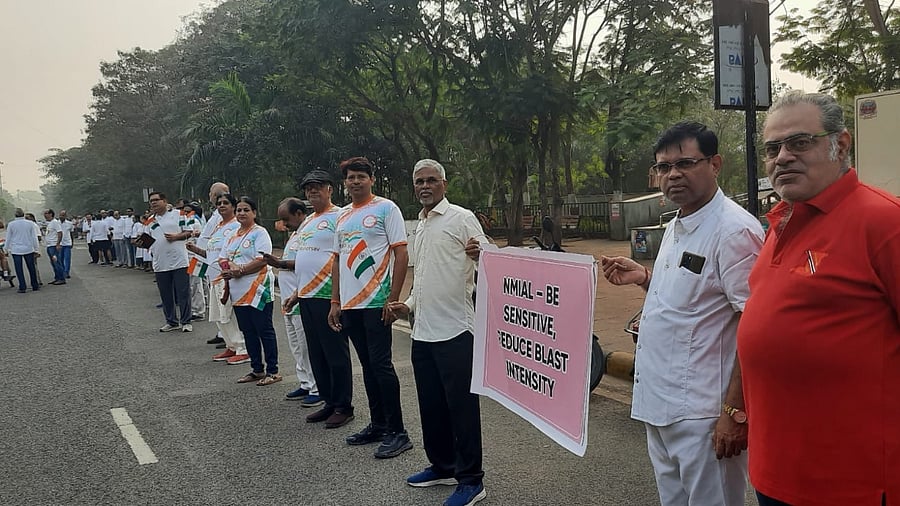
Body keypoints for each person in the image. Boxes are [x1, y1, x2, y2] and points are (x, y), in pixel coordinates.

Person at [737, 91, 900, 506]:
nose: (783, 157)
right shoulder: (781, 223)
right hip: (775, 475)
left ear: (840, 145)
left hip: (851, 485)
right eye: (773, 148)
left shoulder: (884, 223)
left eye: (800, 142)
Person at [600, 122, 763, 506]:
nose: (673, 174)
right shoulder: (678, 224)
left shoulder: (734, 231)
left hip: (703, 414)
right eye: (663, 166)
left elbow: (753, 323)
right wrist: (643, 277)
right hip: (660, 402)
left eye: (685, 163)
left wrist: (734, 411)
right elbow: (695, 296)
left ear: (715, 163)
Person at [387, 159, 488, 506]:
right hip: (423, 333)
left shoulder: (461, 218)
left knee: (461, 408)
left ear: (444, 184)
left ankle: (472, 480)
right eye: (419, 182)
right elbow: (426, 276)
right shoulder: (422, 226)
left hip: (457, 331)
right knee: (431, 406)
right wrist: (409, 305)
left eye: (431, 180)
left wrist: (483, 252)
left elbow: (494, 261)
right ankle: (442, 465)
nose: (425, 186)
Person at [328, 156, 412, 459]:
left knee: (381, 365)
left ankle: (398, 432)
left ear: (371, 179)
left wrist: (393, 298)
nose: (355, 181)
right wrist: (335, 301)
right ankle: (378, 424)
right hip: (350, 305)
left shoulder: (386, 208)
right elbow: (337, 260)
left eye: (361, 176)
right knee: (367, 366)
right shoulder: (342, 216)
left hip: (377, 302)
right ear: (345, 182)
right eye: (350, 177)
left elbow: (400, 255)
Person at [283, 170, 356, 429]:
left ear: (330, 189)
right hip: (307, 296)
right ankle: (328, 401)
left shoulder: (340, 216)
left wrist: (337, 298)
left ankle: (343, 406)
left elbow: (341, 256)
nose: (313, 191)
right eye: (308, 188)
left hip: (328, 295)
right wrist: (296, 294)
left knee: (335, 353)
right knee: (317, 354)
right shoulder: (309, 220)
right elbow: (305, 261)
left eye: (318, 187)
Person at [261, 198, 322, 406]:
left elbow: (307, 263)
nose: (284, 224)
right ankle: (305, 382)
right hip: (288, 299)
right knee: (296, 345)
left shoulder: (308, 232)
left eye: (286, 219)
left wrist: (279, 263)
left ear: (298, 213)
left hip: (300, 298)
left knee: (306, 346)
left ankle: (316, 387)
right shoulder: (295, 234)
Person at [219, 196, 280, 386]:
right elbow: (222, 257)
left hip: (258, 288)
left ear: (254, 213)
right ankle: (257, 369)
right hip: (238, 291)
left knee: (264, 329)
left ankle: (273, 370)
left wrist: (241, 270)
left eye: (246, 210)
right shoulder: (232, 235)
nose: (242, 213)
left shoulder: (260, 233)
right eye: (239, 210)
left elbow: (263, 259)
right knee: (248, 331)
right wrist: (227, 267)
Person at [186, 193, 249, 365]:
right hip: (213, 275)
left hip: (227, 277)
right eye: (219, 203)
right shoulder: (219, 226)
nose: (221, 206)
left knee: (231, 315)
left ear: (233, 207)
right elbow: (212, 253)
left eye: (226, 203)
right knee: (219, 316)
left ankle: (243, 348)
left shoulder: (236, 226)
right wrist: (196, 250)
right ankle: (231, 345)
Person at [147, 192, 195, 333]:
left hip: (179, 261)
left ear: (164, 201)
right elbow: (147, 240)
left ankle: (186, 321)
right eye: (151, 201)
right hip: (160, 262)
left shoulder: (178, 214)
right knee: (166, 294)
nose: (154, 203)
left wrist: (176, 237)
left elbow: (189, 232)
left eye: (156, 200)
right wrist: (140, 243)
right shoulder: (150, 220)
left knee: (183, 292)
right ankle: (171, 321)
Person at [6, 208, 40, 293]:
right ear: (23, 214)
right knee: (31, 267)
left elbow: (8, 238)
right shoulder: (30, 223)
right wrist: (36, 249)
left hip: (16, 249)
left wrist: (6, 249)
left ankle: (22, 286)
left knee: (19, 269)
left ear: (15, 215)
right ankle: (35, 285)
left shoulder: (11, 224)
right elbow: (34, 237)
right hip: (28, 248)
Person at [42, 209, 66, 285]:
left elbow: (60, 233)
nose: (45, 215)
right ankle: (57, 277)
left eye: (46, 213)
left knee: (56, 262)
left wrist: (58, 244)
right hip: (49, 245)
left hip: (54, 245)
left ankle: (61, 278)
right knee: (53, 262)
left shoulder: (55, 222)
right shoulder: (50, 223)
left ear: (51, 214)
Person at [58, 210, 73, 278]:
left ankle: (67, 272)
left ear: (66, 216)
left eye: (63, 215)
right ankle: (62, 271)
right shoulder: (56, 223)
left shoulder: (69, 223)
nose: (61, 216)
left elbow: (71, 233)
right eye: (60, 215)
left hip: (67, 243)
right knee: (60, 258)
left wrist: (72, 242)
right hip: (59, 243)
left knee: (67, 258)